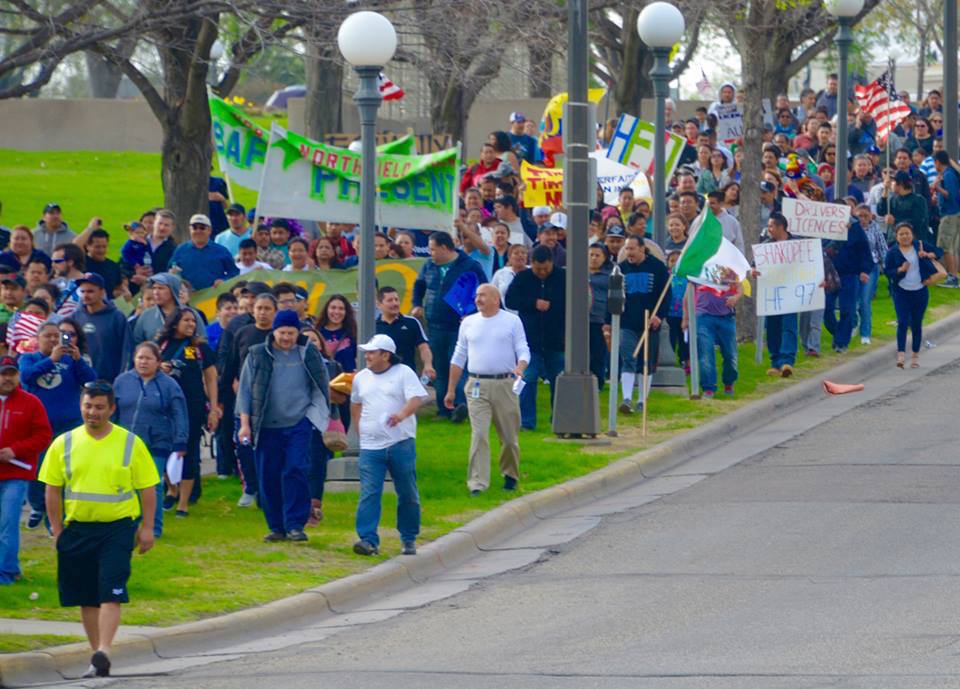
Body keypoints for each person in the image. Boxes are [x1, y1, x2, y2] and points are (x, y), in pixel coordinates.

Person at [40, 380, 159, 678]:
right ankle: (97, 658)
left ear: (112, 409)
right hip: (77, 529)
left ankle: (105, 649)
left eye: (99, 407)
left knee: (111, 590)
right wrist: (57, 531)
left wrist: (147, 528)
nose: (92, 412)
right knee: (86, 596)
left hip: (118, 528)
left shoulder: (130, 443)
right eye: (87, 406)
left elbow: (147, 489)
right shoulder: (63, 443)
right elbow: (52, 490)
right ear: (81, 406)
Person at [237, 310, 331, 543]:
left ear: (297, 332)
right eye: (282, 333)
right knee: (268, 475)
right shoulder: (258, 354)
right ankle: (277, 526)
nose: (286, 337)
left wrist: (314, 418)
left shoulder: (308, 352)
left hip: (298, 422)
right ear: (274, 332)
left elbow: (320, 387)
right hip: (267, 426)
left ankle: (295, 524)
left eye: (291, 333)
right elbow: (246, 391)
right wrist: (245, 424)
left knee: (295, 469)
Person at [446, 284, 528, 495]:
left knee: (509, 437)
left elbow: (523, 348)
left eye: (483, 295)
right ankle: (477, 483)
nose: (478, 299)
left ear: (495, 299)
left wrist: (520, 366)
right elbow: (459, 356)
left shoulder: (511, 321)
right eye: (477, 296)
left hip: (505, 384)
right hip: (476, 385)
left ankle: (510, 474)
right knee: (479, 434)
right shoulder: (469, 323)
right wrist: (451, 389)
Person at [350, 334, 428, 555]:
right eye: (367, 352)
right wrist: (359, 428)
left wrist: (401, 415)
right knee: (369, 492)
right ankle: (368, 539)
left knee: (407, 491)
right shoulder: (361, 378)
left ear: (386, 355)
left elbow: (416, 398)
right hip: (370, 446)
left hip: (400, 442)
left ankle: (409, 536)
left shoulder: (403, 373)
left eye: (372, 352)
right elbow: (355, 403)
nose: (368, 356)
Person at [18, 319, 96, 529]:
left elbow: (92, 381)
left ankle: (58, 515)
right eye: (48, 336)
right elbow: (26, 377)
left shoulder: (70, 361)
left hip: (68, 425)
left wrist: (79, 361)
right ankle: (37, 506)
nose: (54, 339)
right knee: (38, 469)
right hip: (38, 426)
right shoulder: (28, 358)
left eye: (57, 336)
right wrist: (51, 360)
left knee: (65, 471)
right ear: (38, 338)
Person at [113, 342, 188, 538]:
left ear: (158, 361)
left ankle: (154, 527)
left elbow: (180, 413)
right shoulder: (122, 381)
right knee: (126, 485)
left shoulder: (169, 385)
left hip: (157, 442)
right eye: (140, 358)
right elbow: (112, 410)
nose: (143, 362)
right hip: (126, 442)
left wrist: (181, 441)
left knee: (152, 486)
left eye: (148, 358)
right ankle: (129, 524)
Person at [411, 232, 488, 421]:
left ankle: (459, 405)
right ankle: (443, 408)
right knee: (440, 367)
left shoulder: (470, 266)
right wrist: (417, 303)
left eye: (433, 249)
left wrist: (474, 314)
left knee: (458, 366)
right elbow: (419, 285)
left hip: (460, 327)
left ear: (445, 248)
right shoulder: (429, 265)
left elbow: (484, 290)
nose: (431, 253)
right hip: (435, 324)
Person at [156, 307, 218, 516]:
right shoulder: (160, 346)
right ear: (175, 322)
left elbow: (210, 377)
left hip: (192, 406)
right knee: (163, 448)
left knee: (189, 451)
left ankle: (183, 502)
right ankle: (171, 490)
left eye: (194, 321)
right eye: (187, 321)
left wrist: (214, 408)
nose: (191, 325)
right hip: (164, 406)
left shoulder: (199, 349)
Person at [0, 355, 53, 584]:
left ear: (18, 375)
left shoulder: (31, 403)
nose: (7, 378)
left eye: (12, 373)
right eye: (3, 373)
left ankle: (6, 572)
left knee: (9, 521)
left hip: (17, 473)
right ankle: (11, 566)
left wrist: (15, 450)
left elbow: (43, 436)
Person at [504, 245, 565, 430]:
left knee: (559, 380)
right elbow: (510, 300)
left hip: (556, 338)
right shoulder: (523, 278)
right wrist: (533, 303)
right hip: (530, 340)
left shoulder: (563, 277)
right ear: (532, 264)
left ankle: (560, 419)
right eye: (538, 269)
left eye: (545, 269)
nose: (542, 273)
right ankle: (527, 422)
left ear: (551, 263)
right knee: (528, 379)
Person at [606, 236, 669, 413]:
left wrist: (659, 316)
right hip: (627, 323)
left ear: (642, 249)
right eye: (627, 249)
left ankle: (642, 400)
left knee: (645, 363)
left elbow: (665, 295)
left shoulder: (658, 268)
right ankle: (626, 399)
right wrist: (607, 321)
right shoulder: (621, 269)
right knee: (628, 359)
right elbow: (612, 296)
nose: (629, 253)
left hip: (650, 324)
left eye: (632, 249)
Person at [885, 222, 946, 368]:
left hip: (920, 291)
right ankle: (900, 355)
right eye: (901, 234)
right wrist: (900, 270)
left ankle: (915, 356)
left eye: (907, 233)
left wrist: (928, 254)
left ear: (912, 235)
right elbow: (888, 272)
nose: (905, 236)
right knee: (903, 321)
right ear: (897, 236)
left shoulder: (920, 245)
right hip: (901, 291)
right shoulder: (892, 252)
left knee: (917, 324)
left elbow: (939, 251)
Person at [822, 211, 873, 353]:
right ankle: (838, 332)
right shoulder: (824, 227)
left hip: (849, 274)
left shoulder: (855, 229)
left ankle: (841, 342)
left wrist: (864, 270)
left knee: (847, 309)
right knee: (826, 307)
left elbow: (864, 251)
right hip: (829, 274)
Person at [758, 214, 799, 376]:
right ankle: (776, 363)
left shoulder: (796, 244)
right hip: (772, 294)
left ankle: (787, 361)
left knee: (789, 326)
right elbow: (757, 265)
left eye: (771, 226)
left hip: (791, 293)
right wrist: (755, 271)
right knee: (773, 327)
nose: (769, 230)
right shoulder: (766, 246)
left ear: (781, 227)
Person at [71, 273, 132, 381]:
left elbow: (127, 350)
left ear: (102, 292)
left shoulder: (117, 317)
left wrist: (122, 378)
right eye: (83, 291)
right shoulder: (75, 317)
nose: (85, 295)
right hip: (80, 380)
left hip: (108, 381)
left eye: (90, 291)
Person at [375, 286, 434, 377]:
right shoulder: (373, 326)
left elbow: (424, 347)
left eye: (396, 299)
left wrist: (428, 365)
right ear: (379, 304)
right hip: (380, 376)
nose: (394, 303)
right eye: (390, 300)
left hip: (407, 376)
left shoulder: (412, 323)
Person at [169, 214, 239, 289]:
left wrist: (224, 280)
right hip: (188, 297)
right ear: (190, 229)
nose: (198, 231)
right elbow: (171, 269)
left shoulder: (221, 251)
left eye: (202, 228)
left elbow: (234, 272)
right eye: (194, 228)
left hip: (213, 296)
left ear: (210, 230)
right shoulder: (180, 250)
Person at [854, 205, 888, 345]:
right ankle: (853, 325)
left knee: (865, 300)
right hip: (854, 268)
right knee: (853, 300)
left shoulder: (875, 228)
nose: (862, 219)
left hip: (870, 267)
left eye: (865, 216)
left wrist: (886, 267)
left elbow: (882, 248)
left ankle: (865, 333)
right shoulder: (852, 229)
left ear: (870, 216)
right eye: (859, 216)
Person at [932, 150, 960, 288]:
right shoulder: (948, 173)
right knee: (952, 248)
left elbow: (951, 195)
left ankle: (953, 278)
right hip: (953, 214)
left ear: (937, 161)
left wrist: (937, 188)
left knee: (946, 247)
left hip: (950, 214)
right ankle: (954, 277)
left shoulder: (948, 175)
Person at [132, 273, 182, 345]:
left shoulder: (189, 314)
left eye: (161, 288)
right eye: (154, 288)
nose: (156, 292)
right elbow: (137, 344)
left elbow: (198, 344)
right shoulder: (146, 316)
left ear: (173, 290)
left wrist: (185, 355)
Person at [588, 244, 611, 389]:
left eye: (597, 255)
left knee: (598, 352)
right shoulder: (579, 273)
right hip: (581, 319)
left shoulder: (608, 277)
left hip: (599, 319)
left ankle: (598, 381)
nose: (594, 258)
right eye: (591, 255)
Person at [83, 229, 123, 298]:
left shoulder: (113, 266)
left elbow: (118, 287)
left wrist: (123, 294)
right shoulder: (81, 263)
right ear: (87, 246)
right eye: (97, 247)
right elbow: (75, 244)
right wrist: (91, 227)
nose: (101, 250)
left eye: (104, 246)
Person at [491, 244, 528, 310]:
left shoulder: (533, 271)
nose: (520, 255)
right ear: (509, 257)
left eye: (523, 253)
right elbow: (492, 293)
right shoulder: (500, 273)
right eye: (516, 253)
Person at [148, 210, 178, 274]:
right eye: (160, 223)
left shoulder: (174, 250)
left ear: (172, 227)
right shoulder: (138, 242)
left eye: (166, 225)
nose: (162, 228)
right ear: (154, 223)